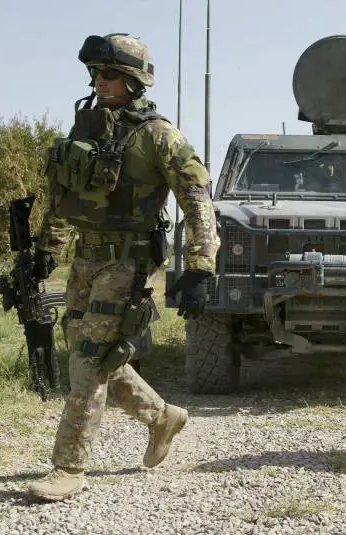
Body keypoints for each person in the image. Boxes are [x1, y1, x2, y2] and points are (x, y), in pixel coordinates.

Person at [27, 32, 220, 502]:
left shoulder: (158, 135)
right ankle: (162, 417)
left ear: (134, 80)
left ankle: (68, 468)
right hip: (85, 258)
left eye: (110, 73)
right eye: (95, 72)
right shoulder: (87, 128)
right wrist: (48, 248)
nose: (100, 80)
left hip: (128, 261)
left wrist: (200, 265)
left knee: (89, 359)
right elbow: (65, 196)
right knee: (91, 355)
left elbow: (197, 199)